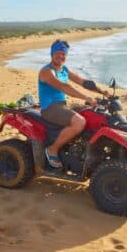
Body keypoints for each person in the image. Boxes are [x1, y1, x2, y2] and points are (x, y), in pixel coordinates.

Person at [38, 39, 109, 168]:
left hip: (62, 105)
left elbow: (82, 81)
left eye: (63, 54)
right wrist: (86, 97)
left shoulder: (64, 69)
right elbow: (63, 87)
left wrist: (102, 91)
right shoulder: (47, 71)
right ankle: (53, 149)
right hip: (50, 108)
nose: (60, 56)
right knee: (79, 121)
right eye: (57, 53)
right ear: (51, 54)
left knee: (92, 113)